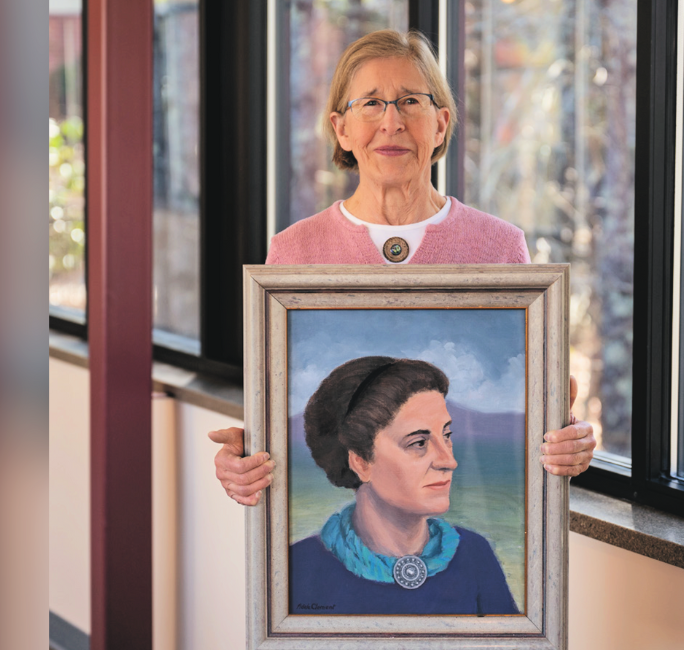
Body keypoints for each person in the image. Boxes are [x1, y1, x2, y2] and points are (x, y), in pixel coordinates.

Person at [209, 29, 595, 506]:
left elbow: (532, 417)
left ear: (440, 123)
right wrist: (245, 462)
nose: (391, 122)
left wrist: (567, 440)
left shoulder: (501, 246)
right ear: (341, 128)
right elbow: (279, 412)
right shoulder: (293, 253)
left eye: (411, 101)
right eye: (370, 103)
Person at [289, 356, 518, 615]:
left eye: (447, 436)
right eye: (419, 443)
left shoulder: (474, 554)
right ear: (361, 462)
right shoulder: (298, 566)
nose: (449, 461)